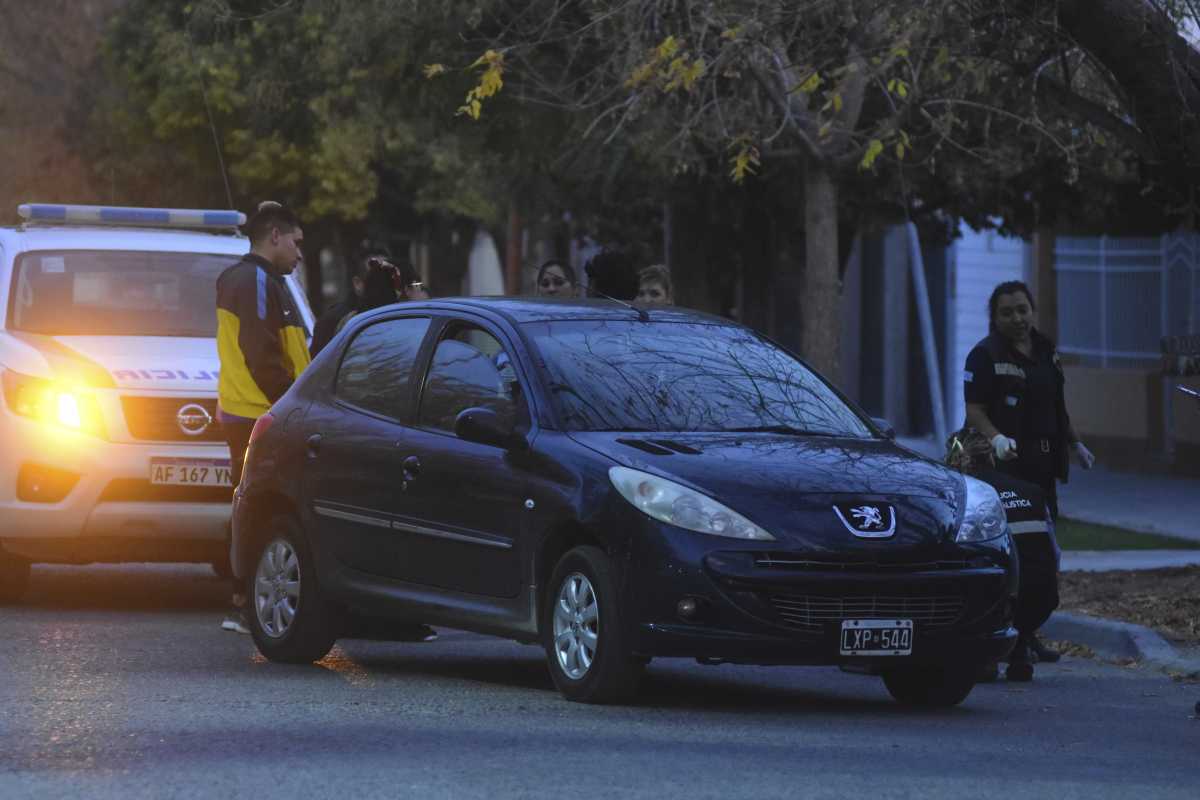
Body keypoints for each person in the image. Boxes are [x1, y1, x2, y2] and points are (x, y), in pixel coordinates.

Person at [215, 201, 311, 633]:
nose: (300, 253)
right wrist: (292, 405)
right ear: (275, 236)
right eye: (296, 241)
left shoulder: (259, 278)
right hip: (261, 414)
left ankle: (243, 599)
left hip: (252, 413)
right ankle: (246, 603)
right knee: (261, 509)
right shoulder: (255, 279)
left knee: (251, 506)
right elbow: (261, 354)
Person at [946, 427, 1060, 682]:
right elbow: (1055, 554)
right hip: (1043, 599)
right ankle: (1020, 647)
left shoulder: (968, 495)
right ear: (992, 457)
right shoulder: (1032, 491)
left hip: (999, 603)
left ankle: (984, 657)